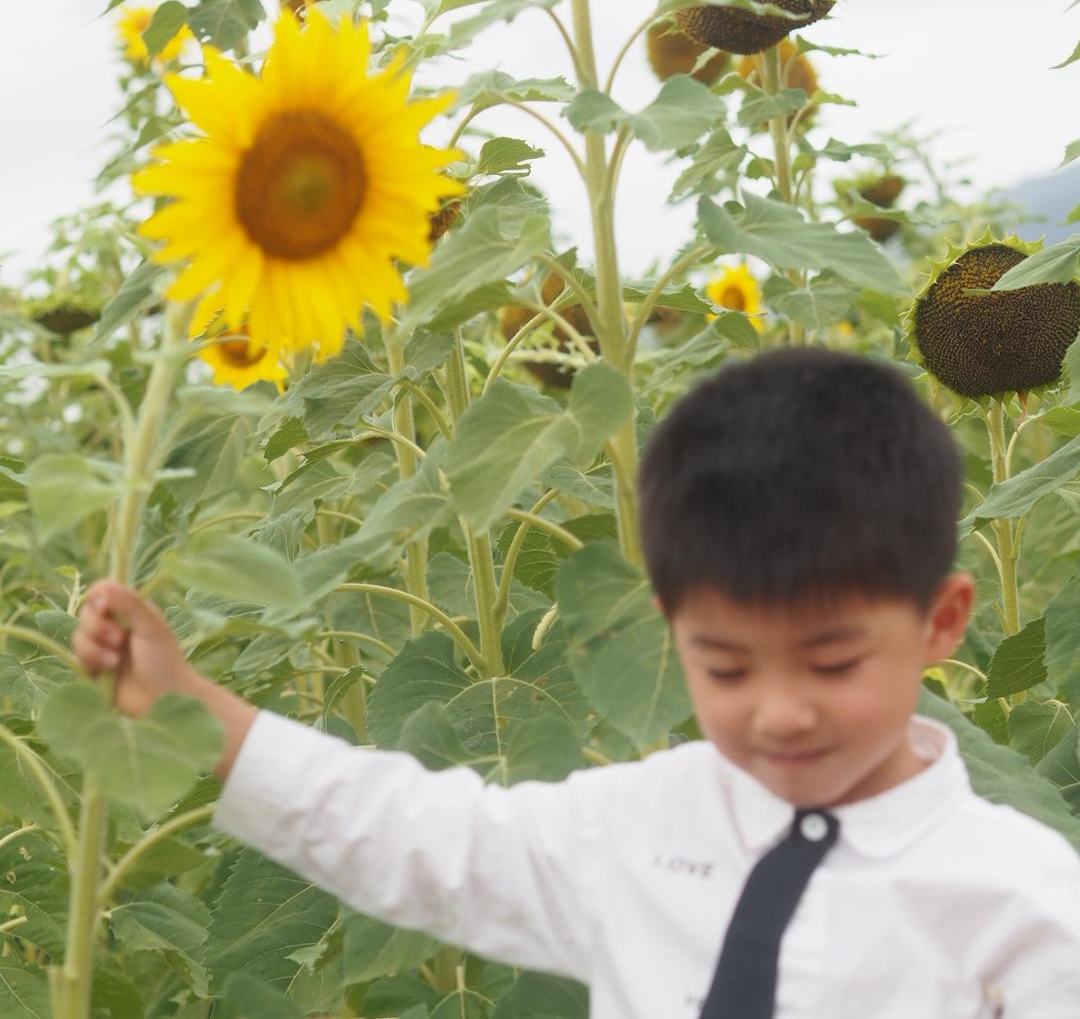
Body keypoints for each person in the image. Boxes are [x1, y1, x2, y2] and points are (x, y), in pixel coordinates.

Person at [73, 346, 1080, 1018]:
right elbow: (420, 838)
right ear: (669, 630)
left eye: (832, 663)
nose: (779, 711)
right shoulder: (643, 823)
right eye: (724, 666)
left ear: (942, 623)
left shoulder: (1021, 902)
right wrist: (195, 707)